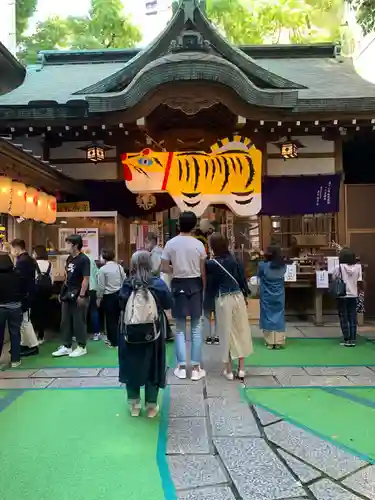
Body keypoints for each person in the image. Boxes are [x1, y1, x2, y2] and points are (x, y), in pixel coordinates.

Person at [118, 251, 172, 418]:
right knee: (153, 366)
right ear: (149, 264)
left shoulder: (127, 284)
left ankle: (134, 404)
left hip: (130, 334)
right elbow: (169, 303)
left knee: (131, 365)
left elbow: (120, 305)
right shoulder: (157, 283)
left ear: (133, 265)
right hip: (153, 333)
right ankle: (151, 405)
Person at [161, 211, 206, 381]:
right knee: (196, 327)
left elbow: (164, 267)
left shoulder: (170, 243)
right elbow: (203, 271)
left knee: (179, 328)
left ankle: (180, 367)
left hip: (178, 284)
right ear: (194, 225)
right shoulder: (199, 244)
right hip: (195, 284)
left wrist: (176, 270)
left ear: (178, 224)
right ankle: (195, 368)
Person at [206, 233, 253, 379]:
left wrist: (207, 306)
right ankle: (242, 368)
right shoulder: (235, 260)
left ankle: (228, 369)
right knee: (241, 329)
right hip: (238, 296)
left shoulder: (211, 264)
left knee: (226, 331)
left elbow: (210, 286)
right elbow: (242, 280)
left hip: (222, 299)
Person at [53, 234, 90, 358]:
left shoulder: (84, 259)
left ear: (75, 245)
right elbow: (67, 277)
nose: (66, 246)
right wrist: (62, 292)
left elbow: (86, 279)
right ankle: (67, 346)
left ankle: (81, 346)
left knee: (78, 321)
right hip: (67, 294)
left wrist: (82, 295)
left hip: (78, 294)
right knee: (65, 321)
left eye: (68, 244)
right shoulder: (69, 258)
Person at [11, 239, 39, 357]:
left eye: (12, 249)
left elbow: (20, 280)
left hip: (25, 295)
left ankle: (33, 345)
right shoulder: (29, 259)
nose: (12, 251)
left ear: (17, 248)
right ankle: (25, 343)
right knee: (24, 320)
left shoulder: (21, 262)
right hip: (29, 294)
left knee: (25, 321)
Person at [333, 247, 363, 347]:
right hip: (353, 295)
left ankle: (346, 339)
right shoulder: (358, 267)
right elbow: (359, 280)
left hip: (342, 295)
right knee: (352, 317)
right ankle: (353, 339)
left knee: (343, 317)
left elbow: (334, 277)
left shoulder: (339, 267)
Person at [258, 245, 287, 349]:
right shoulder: (283, 266)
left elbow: (259, 276)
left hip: (266, 293)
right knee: (279, 314)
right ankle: (279, 341)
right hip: (279, 293)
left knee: (267, 315)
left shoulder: (262, 265)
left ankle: (270, 341)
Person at [97, 248, 126, 348]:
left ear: (104, 257)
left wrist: (98, 298)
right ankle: (119, 339)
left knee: (110, 320)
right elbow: (124, 280)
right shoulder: (119, 267)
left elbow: (101, 286)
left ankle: (113, 341)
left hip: (108, 296)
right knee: (118, 318)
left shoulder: (102, 270)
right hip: (119, 295)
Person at [0, 252, 23, 368]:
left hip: (1, 308)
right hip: (15, 307)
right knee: (15, 334)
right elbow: (23, 290)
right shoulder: (17, 274)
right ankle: (15, 360)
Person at [31, 245, 53, 344]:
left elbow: (32, 278)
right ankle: (41, 335)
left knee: (35, 312)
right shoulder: (49, 264)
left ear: (36, 253)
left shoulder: (33, 263)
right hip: (46, 291)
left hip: (36, 291)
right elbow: (52, 279)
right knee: (44, 312)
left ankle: (33, 336)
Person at [86, 253, 101, 341]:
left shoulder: (77, 259)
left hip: (82, 288)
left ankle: (79, 334)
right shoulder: (91, 258)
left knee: (79, 312)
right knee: (93, 310)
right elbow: (97, 273)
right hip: (93, 288)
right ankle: (96, 333)